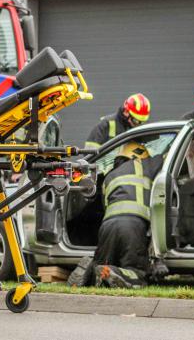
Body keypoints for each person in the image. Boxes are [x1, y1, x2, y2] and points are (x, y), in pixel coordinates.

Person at [67, 142, 164, 288]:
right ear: (139, 155)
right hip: (133, 224)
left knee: (103, 265)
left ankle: (91, 270)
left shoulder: (109, 176)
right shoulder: (144, 165)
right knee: (136, 271)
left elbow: (104, 205)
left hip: (108, 226)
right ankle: (115, 272)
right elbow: (166, 158)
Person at [84, 93, 150, 149]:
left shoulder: (137, 130)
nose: (138, 124)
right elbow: (90, 152)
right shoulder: (107, 124)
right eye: (136, 120)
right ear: (126, 112)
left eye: (141, 122)